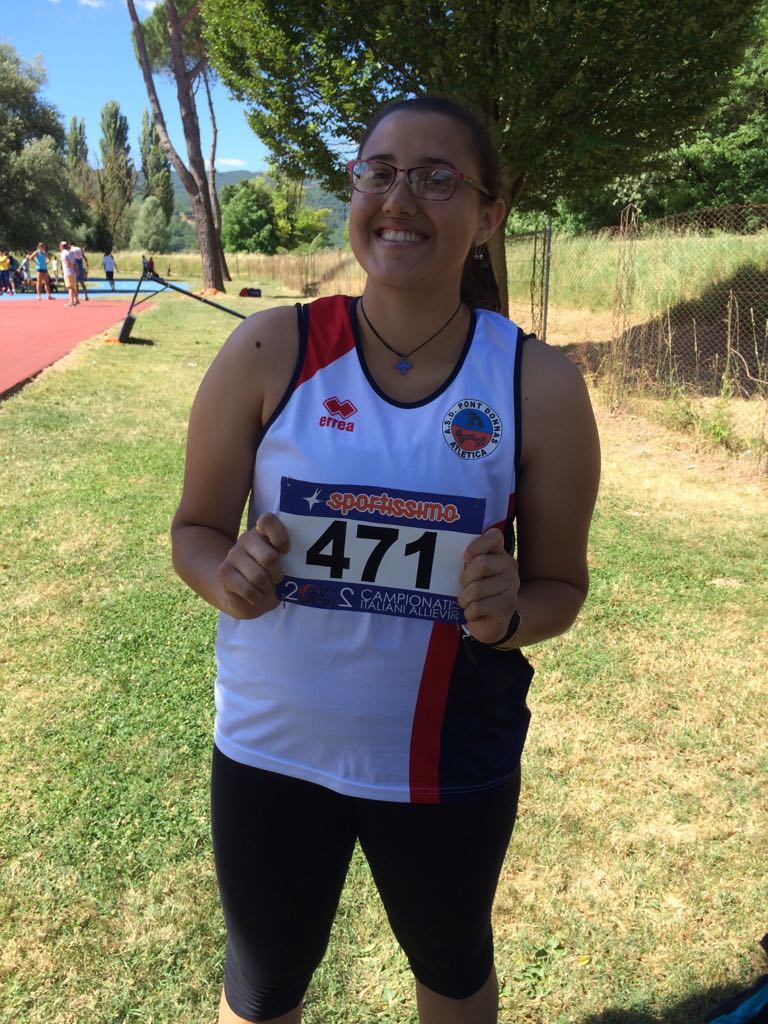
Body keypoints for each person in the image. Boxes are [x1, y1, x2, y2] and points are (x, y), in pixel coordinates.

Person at [171, 95, 600, 1024]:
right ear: (355, 190)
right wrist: (223, 577)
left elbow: (561, 586)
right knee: (262, 986)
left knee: (452, 969)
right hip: (272, 748)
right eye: (379, 171)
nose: (400, 198)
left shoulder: (539, 383)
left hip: (447, 757)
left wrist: (511, 613)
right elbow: (194, 530)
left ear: (489, 215)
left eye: (438, 177)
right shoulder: (269, 348)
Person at [59, 242, 79, 306]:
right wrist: (76, 269)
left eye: (60, 246)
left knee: (69, 287)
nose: (59, 247)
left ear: (62, 247)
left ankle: (71, 301)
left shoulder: (63, 253)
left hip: (67, 272)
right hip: (73, 273)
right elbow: (76, 263)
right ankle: (76, 300)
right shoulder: (71, 253)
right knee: (73, 287)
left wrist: (71, 266)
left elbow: (66, 262)